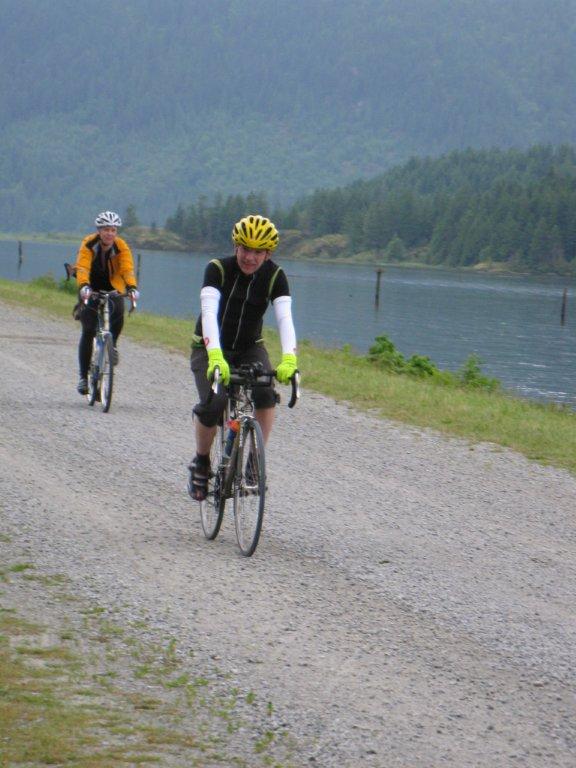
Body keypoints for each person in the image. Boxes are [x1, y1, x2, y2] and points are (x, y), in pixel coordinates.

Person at [188, 214, 298, 501]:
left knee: (265, 392)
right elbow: (209, 313)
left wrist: (289, 359)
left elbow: (285, 318)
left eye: (258, 252)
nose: (250, 257)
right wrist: (215, 354)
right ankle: (201, 462)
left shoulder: (275, 276)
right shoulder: (217, 269)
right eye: (245, 249)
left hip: (249, 346)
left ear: (268, 254)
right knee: (215, 402)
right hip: (208, 347)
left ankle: (253, 463)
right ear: (236, 246)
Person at [74, 211, 139, 394]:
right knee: (88, 330)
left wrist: (132, 287)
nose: (110, 233)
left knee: (118, 310)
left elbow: (127, 269)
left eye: (113, 230)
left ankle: (112, 346)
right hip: (90, 286)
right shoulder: (89, 243)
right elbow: (82, 267)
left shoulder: (121, 246)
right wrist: (84, 286)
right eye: (106, 229)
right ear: (99, 231)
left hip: (112, 286)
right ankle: (83, 377)